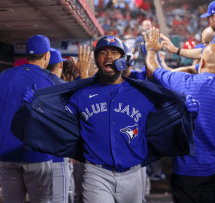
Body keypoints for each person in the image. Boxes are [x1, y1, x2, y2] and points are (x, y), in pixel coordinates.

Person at [17, 35, 199, 203]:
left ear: (123, 60)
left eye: (114, 52)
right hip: (97, 174)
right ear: (96, 60)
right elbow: (61, 119)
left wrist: (186, 110)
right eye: (103, 52)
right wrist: (35, 107)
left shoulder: (142, 92)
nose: (109, 56)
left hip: (135, 173)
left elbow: (167, 116)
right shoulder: (81, 93)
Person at [144, 27, 215, 203]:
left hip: (187, 172)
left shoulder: (183, 82)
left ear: (201, 63)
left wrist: (151, 50)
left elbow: (152, 70)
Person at [0, 34, 54, 203]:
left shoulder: (4, 76)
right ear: (47, 55)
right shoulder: (51, 81)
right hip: (37, 155)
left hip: (6, 155)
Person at [47, 48, 71, 203]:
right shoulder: (64, 88)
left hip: (35, 157)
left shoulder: (36, 83)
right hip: (57, 156)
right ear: (60, 65)